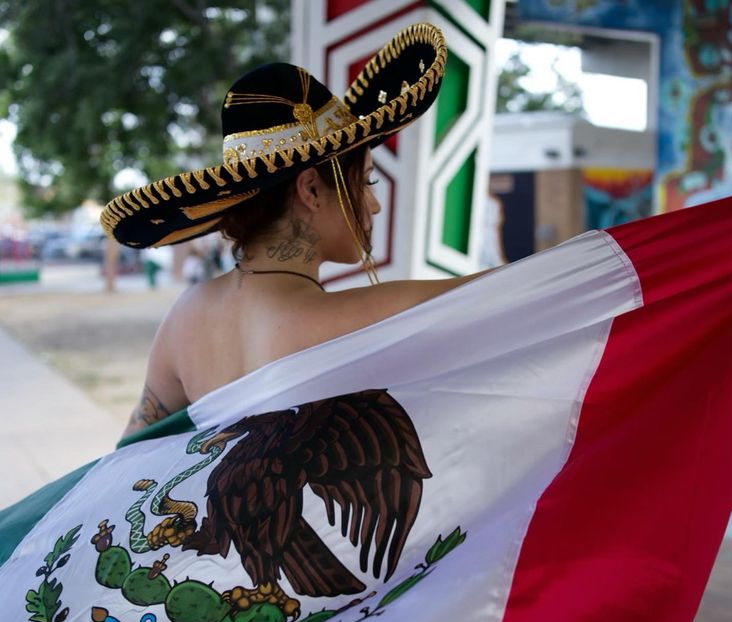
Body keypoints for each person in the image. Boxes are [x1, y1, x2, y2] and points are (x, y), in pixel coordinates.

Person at [105, 26, 488, 439]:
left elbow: (129, 450)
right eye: (366, 183)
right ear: (310, 189)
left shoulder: (185, 317)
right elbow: (527, 295)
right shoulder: (363, 320)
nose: (373, 204)